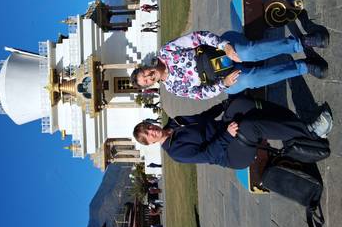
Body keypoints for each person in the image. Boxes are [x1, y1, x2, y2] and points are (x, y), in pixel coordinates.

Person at [132, 96, 333, 169]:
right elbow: (209, 154)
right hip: (230, 155)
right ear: (150, 143)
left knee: (239, 103)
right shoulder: (175, 151)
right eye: (148, 134)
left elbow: (204, 117)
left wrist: (224, 105)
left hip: (225, 130)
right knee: (248, 127)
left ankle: (293, 126)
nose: (152, 130)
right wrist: (227, 135)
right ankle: (310, 132)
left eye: (149, 127)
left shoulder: (175, 122)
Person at [130, 30, 329, 100]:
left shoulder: (166, 52)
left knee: (247, 52)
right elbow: (200, 94)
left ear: (146, 66)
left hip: (220, 50)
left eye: (145, 73)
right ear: (150, 85)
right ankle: (303, 66)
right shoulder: (173, 88)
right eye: (147, 81)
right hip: (222, 78)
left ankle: (300, 43)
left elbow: (197, 37)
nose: (149, 76)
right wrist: (223, 84)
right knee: (251, 79)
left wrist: (223, 45)